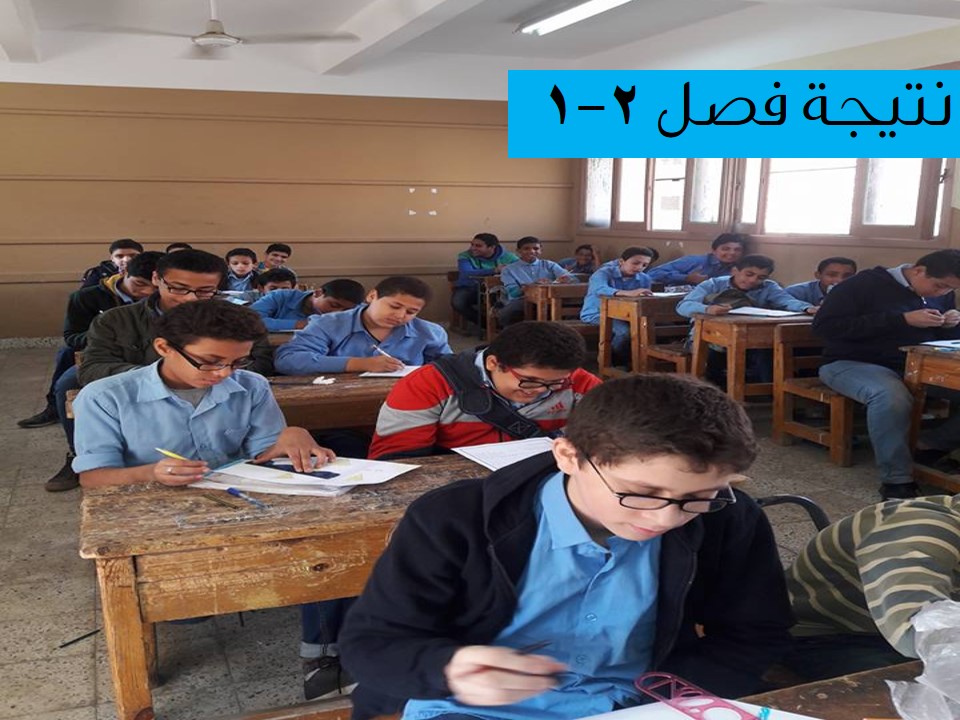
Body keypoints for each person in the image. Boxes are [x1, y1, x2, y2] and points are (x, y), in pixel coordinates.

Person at [340, 374, 793, 720]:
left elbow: (754, 633)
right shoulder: (455, 519)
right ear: (568, 456)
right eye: (640, 493)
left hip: (638, 706)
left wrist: (675, 701)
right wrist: (448, 667)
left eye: (697, 498)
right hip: (469, 709)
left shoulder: (726, 517)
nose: (665, 519)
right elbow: (372, 644)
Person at [72, 300, 333, 487]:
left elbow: (262, 457)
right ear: (164, 348)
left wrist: (290, 438)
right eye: (210, 361)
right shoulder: (104, 397)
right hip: (151, 508)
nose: (224, 373)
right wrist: (151, 473)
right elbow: (93, 477)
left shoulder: (252, 386)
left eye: (238, 362)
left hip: (238, 497)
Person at [812, 249, 960, 500]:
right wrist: (901, 319)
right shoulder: (863, 284)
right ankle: (896, 481)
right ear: (918, 270)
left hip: (913, 366)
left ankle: (930, 444)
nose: (942, 293)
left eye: (950, 290)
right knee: (890, 396)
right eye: (939, 286)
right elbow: (825, 327)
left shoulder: (940, 295)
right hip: (851, 362)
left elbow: (934, 339)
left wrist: (950, 324)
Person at [785, 493, 960, 681]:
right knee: (913, 684)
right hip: (819, 636)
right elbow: (919, 634)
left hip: (879, 629)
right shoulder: (924, 529)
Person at [369, 322, 602, 459]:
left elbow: (609, 440)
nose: (541, 390)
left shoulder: (580, 383)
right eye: (529, 381)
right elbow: (397, 458)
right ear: (493, 363)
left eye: (555, 383)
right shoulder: (428, 384)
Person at [40, 252, 165, 491]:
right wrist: (107, 332)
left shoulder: (168, 303)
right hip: (111, 356)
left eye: (154, 286)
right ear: (124, 273)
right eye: (140, 284)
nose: (147, 291)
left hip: (154, 361)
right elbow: (72, 337)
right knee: (67, 385)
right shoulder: (87, 297)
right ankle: (77, 455)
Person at [677, 254, 814, 386]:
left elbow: (786, 301)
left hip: (749, 337)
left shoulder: (769, 287)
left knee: (769, 351)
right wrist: (707, 309)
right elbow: (683, 306)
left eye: (761, 277)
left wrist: (806, 308)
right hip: (707, 338)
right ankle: (717, 389)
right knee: (714, 357)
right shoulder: (713, 284)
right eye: (749, 274)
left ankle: (768, 391)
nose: (753, 280)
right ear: (735, 271)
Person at [274, 276, 451, 376]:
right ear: (372, 296)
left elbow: (450, 368)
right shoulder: (328, 324)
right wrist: (360, 364)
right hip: (337, 401)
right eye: (394, 306)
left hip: (410, 405)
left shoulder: (429, 333)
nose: (400, 315)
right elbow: (288, 360)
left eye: (411, 312)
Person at [579, 247, 655, 362]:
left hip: (628, 315)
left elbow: (643, 299)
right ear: (621, 261)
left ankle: (639, 361)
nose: (640, 267)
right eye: (635, 263)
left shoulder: (644, 278)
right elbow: (599, 289)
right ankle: (610, 361)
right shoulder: (603, 273)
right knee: (624, 332)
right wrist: (628, 293)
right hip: (597, 313)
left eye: (644, 265)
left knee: (648, 330)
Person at [498, 237, 576, 326]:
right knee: (509, 313)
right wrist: (533, 285)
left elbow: (573, 279)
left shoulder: (549, 264)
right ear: (518, 251)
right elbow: (513, 293)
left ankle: (559, 331)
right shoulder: (509, 269)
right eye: (526, 248)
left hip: (551, 299)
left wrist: (565, 280)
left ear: (541, 250)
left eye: (536, 248)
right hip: (522, 300)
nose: (531, 251)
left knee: (573, 308)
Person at [452, 233, 519, 326]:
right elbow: (466, 273)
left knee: (513, 299)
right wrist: (494, 270)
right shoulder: (465, 256)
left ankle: (505, 324)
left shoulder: (509, 257)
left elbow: (520, 269)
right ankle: (487, 325)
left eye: (478, 246)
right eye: (472, 244)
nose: (473, 248)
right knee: (458, 303)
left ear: (492, 247)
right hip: (471, 287)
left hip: (500, 289)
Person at [251, 279, 365, 331]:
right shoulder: (280, 296)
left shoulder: (359, 309)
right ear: (318, 293)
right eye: (334, 305)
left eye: (346, 310)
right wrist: (300, 324)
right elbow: (250, 322)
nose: (337, 313)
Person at [647, 233, 748, 287]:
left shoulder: (739, 269)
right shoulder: (695, 261)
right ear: (714, 250)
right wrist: (686, 278)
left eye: (737, 250)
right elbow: (653, 273)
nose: (732, 253)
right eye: (725, 249)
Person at [785, 257, 858, 306]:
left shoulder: (859, 294)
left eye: (847, 276)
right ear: (818, 275)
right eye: (832, 275)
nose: (840, 280)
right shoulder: (796, 292)